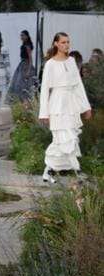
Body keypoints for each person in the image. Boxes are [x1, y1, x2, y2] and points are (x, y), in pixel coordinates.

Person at [39, 32, 91, 183]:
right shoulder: (50, 64)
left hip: (71, 104)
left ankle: (49, 171)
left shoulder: (72, 61)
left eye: (68, 42)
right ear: (56, 44)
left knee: (69, 138)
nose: (67, 45)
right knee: (62, 138)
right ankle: (76, 170)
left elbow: (78, 86)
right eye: (63, 42)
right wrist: (44, 113)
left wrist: (86, 107)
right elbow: (45, 89)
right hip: (57, 104)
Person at [8, 30, 37, 102]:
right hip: (22, 64)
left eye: (23, 35)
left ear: (27, 36)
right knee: (18, 85)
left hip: (26, 65)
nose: (22, 37)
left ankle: (25, 100)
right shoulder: (23, 45)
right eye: (21, 35)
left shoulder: (27, 45)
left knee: (24, 85)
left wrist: (28, 71)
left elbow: (30, 59)